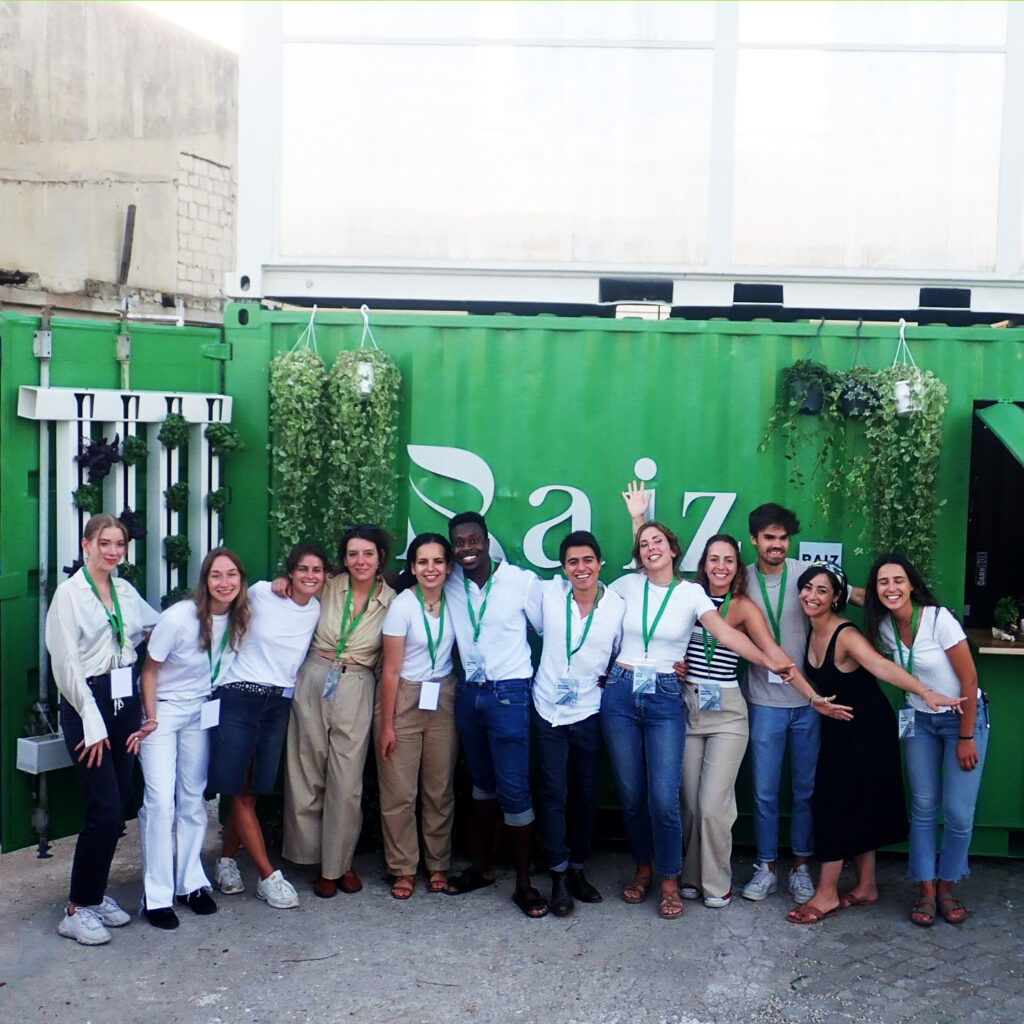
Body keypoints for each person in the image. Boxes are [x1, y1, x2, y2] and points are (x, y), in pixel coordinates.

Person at [605, 496, 798, 921]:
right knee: (635, 796)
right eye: (644, 544)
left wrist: (770, 663)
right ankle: (645, 871)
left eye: (660, 542)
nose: (652, 548)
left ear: (677, 551)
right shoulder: (625, 586)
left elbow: (729, 638)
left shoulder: (692, 595)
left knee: (665, 798)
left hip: (670, 699)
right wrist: (637, 518)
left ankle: (672, 880)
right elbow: (589, 613)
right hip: (623, 690)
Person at [679, 535, 852, 910]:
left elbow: (773, 651)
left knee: (712, 804)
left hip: (728, 708)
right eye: (714, 559)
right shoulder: (686, 597)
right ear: (703, 563)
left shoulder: (742, 605)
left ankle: (717, 881)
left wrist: (811, 696)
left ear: (737, 566)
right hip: (689, 708)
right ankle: (690, 876)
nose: (721, 567)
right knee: (689, 803)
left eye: (728, 560)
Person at [786, 562, 962, 925]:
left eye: (822, 590)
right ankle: (866, 886)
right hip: (838, 726)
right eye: (807, 588)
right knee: (858, 803)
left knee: (832, 804)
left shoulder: (845, 634)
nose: (812, 596)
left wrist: (926, 691)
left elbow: (881, 667)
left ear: (837, 598)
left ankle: (826, 894)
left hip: (867, 728)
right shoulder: (809, 627)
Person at [739, 502, 864, 905]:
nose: (776, 545)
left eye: (782, 538)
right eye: (768, 537)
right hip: (762, 702)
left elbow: (849, 591)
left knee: (806, 790)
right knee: (764, 793)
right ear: (755, 540)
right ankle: (765, 866)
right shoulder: (740, 580)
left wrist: (902, 604)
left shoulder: (804, 576)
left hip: (811, 704)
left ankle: (800, 867)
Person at [45, 513, 159, 945]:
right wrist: (92, 723)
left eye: (120, 545)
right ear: (86, 544)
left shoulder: (124, 590)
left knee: (120, 805)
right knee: (104, 809)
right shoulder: (70, 596)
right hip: (86, 706)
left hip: (124, 703)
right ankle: (76, 908)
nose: (113, 552)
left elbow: (154, 624)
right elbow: (66, 664)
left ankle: (94, 895)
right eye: (105, 543)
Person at [126, 548, 250, 929]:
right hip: (161, 711)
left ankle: (191, 884)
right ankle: (157, 895)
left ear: (240, 580)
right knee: (161, 801)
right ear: (205, 580)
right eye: (216, 575)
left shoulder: (241, 616)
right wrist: (150, 719)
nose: (224, 583)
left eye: (231, 575)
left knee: (193, 799)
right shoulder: (179, 618)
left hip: (201, 709)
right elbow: (149, 670)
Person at [865, 553, 988, 927]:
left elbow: (969, 680)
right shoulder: (885, 626)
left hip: (960, 720)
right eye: (883, 582)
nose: (891, 588)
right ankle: (926, 889)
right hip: (918, 719)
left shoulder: (938, 620)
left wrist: (966, 735)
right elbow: (858, 596)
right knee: (922, 807)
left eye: (898, 580)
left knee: (958, 813)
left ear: (912, 585)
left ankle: (948, 884)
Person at [208, 542, 327, 909]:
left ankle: (226, 861)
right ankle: (266, 875)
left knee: (252, 791)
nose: (309, 576)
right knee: (240, 790)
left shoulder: (317, 609)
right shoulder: (261, 592)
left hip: (278, 703)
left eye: (317, 571)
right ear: (290, 571)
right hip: (239, 696)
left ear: (325, 577)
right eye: (302, 569)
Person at [443, 512, 548, 918]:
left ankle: (524, 885)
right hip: (470, 694)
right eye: (459, 543)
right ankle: (482, 868)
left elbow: (548, 628)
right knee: (481, 785)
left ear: (488, 542)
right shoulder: (450, 582)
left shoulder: (521, 583)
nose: (467, 548)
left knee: (515, 789)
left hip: (509, 694)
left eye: (473, 540)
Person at [282, 525, 395, 898]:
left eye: (367, 553)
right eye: (352, 554)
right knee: (306, 770)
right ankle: (311, 859)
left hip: (358, 683)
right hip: (314, 675)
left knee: (346, 782)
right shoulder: (328, 586)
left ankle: (337, 865)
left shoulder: (392, 601)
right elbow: (294, 588)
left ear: (380, 557)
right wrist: (281, 584)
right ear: (343, 559)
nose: (360, 561)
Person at [530, 530, 625, 916]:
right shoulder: (549, 596)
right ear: (564, 567)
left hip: (589, 710)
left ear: (600, 563)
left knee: (585, 795)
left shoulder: (618, 605)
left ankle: (577, 870)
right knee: (553, 794)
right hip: (547, 708)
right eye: (572, 562)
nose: (581, 568)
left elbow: (621, 652)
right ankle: (556, 877)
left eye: (588, 560)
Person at [375, 533, 457, 899]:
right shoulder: (402, 606)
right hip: (405, 696)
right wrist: (387, 724)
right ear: (412, 568)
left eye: (438, 561)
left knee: (439, 789)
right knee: (400, 793)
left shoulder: (456, 600)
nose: (430, 569)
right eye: (422, 562)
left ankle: (438, 863)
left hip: (443, 695)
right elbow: (390, 671)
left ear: (448, 567)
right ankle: (403, 868)